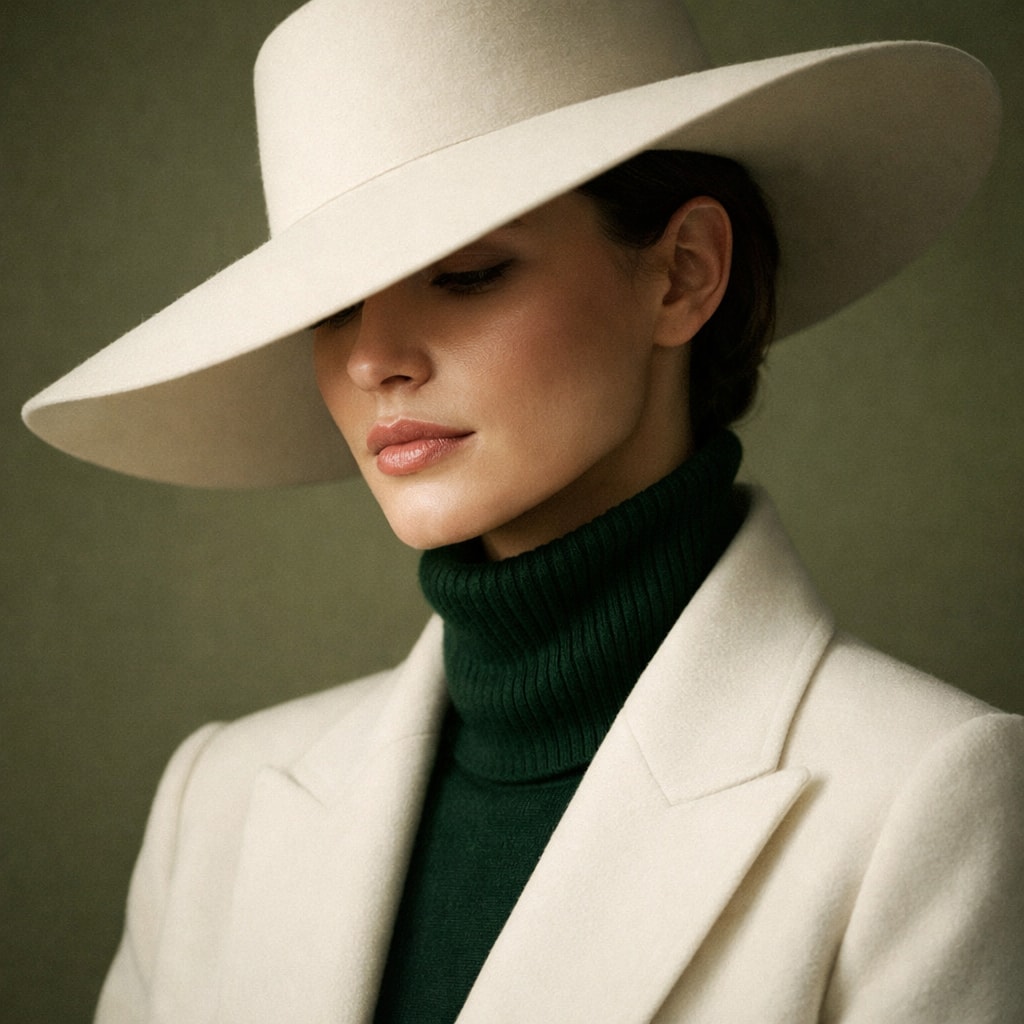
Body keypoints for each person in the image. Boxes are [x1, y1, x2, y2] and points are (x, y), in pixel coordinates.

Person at [21, 0, 1024, 1021]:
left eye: (465, 272)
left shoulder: (922, 799)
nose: (373, 358)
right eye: (327, 306)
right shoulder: (217, 801)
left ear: (683, 273)